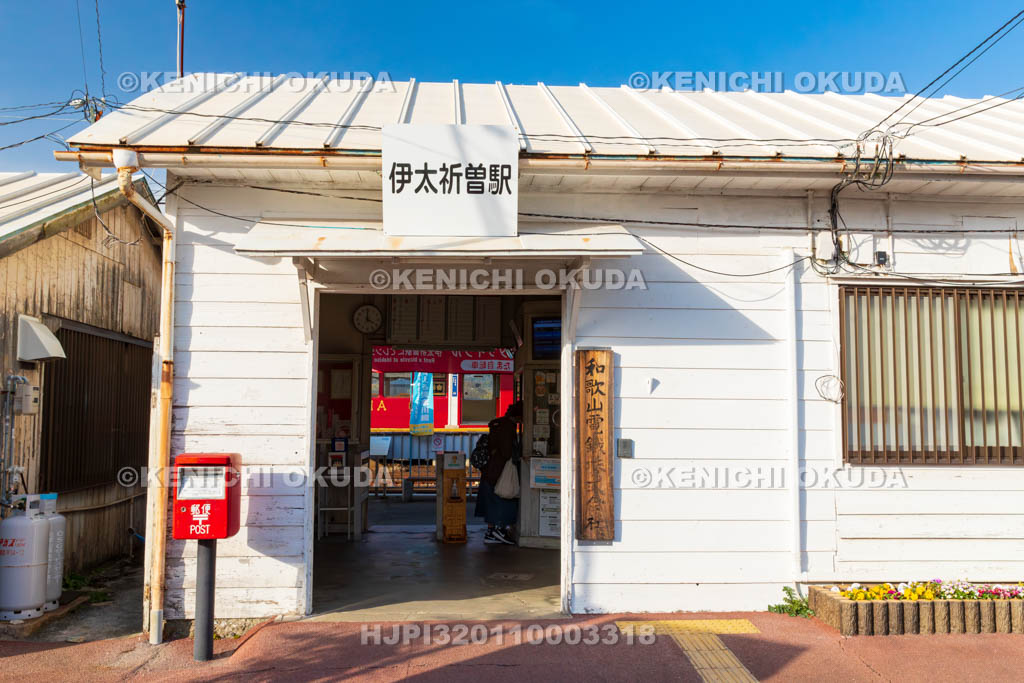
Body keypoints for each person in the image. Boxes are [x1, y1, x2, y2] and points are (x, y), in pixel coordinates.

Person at [475, 401, 521, 545]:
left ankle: (491, 531)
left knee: (491, 500)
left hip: (491, 469)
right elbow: (507, 452)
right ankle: (498, 530)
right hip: (499, 470)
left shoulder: (498, 424)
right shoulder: (508, 427)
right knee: (503, 499)